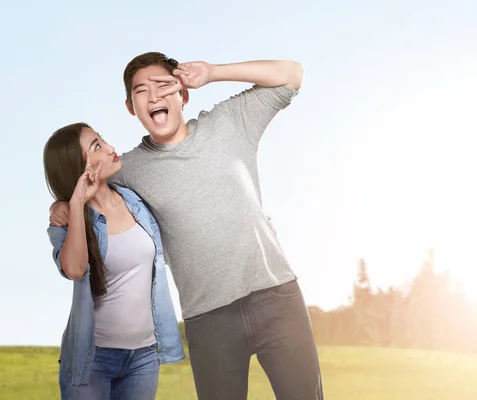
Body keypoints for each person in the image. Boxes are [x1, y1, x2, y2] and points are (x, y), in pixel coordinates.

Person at [50, 53, 323, 399]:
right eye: (141, 91)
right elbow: (86, 186)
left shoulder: (230, 121)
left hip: (276, 296)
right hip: (209, 319)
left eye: (164, 85)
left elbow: (291, 74)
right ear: (131, 107)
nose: (154, 97)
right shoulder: (129, 169)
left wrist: (213, 73)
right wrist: (60, 204)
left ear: (184, 94)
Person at [44, 123, 184, 399]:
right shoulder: (68, 221)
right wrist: (73, 204)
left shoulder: (136, 200)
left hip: (144, 358)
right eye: (96, 146)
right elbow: (74, 269)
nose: (109, 148)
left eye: (102, 139)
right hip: (93, 360)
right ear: (77, 166)